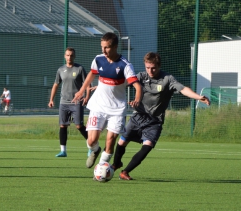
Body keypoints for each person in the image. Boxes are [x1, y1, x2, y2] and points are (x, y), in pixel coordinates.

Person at [112, 52, 211, 180]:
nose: (150, 70)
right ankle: (116, 164)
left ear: (159, 66)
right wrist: (103, 87)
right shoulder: (141, 76)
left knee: (147, 146)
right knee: (121, 142)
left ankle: (125, 172)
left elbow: (183, 89)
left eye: (153, 68)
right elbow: (122, 84)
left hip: (155, 121)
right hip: (138, 117)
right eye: (147, 67)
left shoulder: (167, 79)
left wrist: (199, 97)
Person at [72, 32, 142, 169]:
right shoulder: (98, 59)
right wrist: (81, 91)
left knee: (110, 141)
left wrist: (137, 99)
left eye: (107, 47)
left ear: (115, 47)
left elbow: (137, 86)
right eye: (102, 47)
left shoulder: (125, 65)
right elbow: (92, 73)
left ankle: (101, 168)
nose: (103, 50)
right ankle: (96, 150)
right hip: (98, 105)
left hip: (117, 109)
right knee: (91, 140)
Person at [48, 47, 91, 157]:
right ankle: (63, 151)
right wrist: (51, 99)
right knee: (63, 125)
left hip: (76, 102)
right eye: (67, 55)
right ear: (64, 56)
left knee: (79, 126)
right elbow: (56, 85)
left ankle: (91, 145)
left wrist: (86, 97)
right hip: (64, 102)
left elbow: (87, 84)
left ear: (74, 56)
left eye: (71, 55)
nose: (69, 57)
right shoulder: (60, 70)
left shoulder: (80, 69)